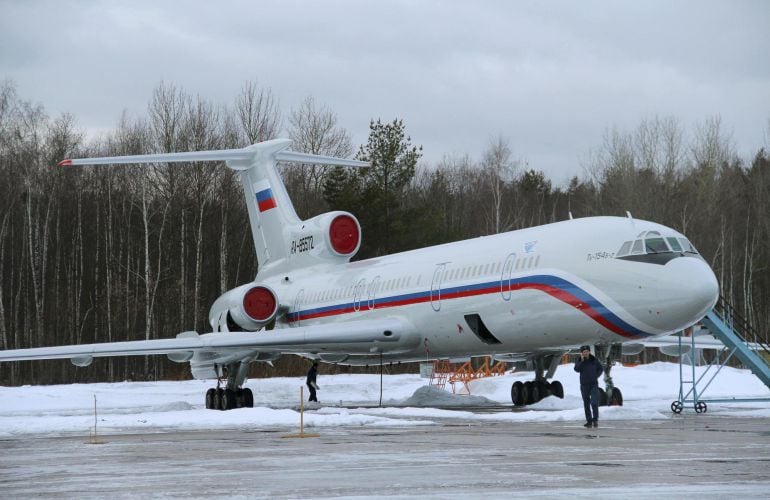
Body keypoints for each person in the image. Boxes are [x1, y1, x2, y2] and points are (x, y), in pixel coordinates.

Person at [574, 345, 603, 427]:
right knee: (586, 403)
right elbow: (576, 369)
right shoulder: (580, 360)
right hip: (584, 385)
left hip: (593, 384)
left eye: (587, 351)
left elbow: (600, 369)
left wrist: (596, 375)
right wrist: (581, 361)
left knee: (594, 402)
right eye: (584, 352)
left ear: (589, 352)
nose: (586, 353)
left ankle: (595, 420)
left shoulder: (594, 360)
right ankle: (589, 421)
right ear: (582, 353)